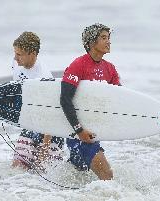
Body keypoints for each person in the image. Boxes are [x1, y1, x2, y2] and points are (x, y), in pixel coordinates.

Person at [60, 23, 121, 180]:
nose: (109, 42)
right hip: (78, 135)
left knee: (79, 180)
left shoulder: (110, 69)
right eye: (103, 38)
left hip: (93, 133)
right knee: (107, 176)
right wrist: (79, 131)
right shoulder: (78, 65)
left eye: (109, 38)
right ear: (92, 42)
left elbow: (118, 99)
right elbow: (65, 99)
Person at [11, 31, 64, 170]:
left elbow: (51, 112)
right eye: (15, 53)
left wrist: (45, 147)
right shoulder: (17, 64)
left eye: (19, 54)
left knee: (45, 171)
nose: (15, 58)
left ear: (32, 53)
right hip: (31, 125)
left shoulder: (43, 76)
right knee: (17, 168)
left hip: (51, 131)